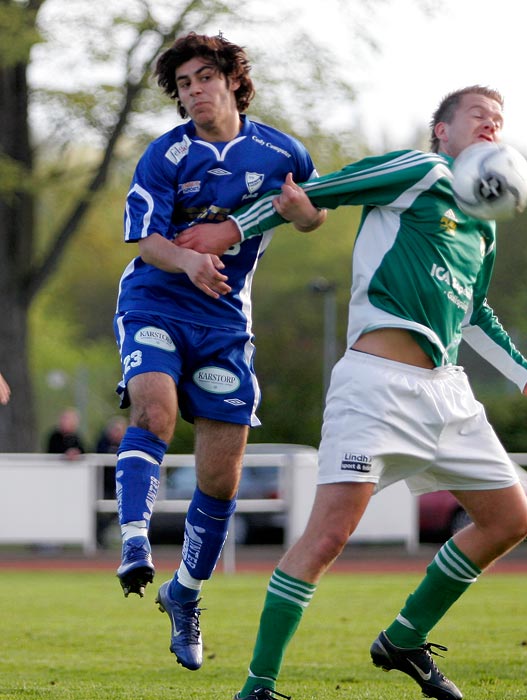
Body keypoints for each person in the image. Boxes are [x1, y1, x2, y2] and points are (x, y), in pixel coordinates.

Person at [177, 85, 527, 700]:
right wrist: (231, 228)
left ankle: (404, 640)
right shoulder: (418, 169)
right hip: (376, 389)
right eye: (477, 116)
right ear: (441, 130)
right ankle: (258, 686)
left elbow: (473, 314)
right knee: (327, 537)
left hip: (449, 393)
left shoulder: (485, 228)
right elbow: (311, 195)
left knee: (510, 518)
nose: (492, 126)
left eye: (500, 120)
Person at [112, 30, 325, 673]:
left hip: (226, 324)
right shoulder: (164, 154)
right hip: (155, 300)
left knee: (219, 476)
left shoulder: (280, 150)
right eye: (183, 84)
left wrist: (303, 212)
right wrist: (189, 260)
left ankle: (187, 594)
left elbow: (313, 215)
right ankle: (132, 543)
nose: (194, 91)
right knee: (155, 412)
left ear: (232, 79)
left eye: (204, 77)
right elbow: (147, 241)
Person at [96, 416, 128, 499]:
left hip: (123, 481)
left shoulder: (128, 445)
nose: (117, 433)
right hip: (105, 483)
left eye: (120, 430)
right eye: (115, 430)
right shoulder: (102, 443)